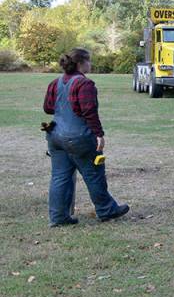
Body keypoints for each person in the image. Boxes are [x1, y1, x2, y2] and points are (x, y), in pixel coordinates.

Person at [43, 48, 130, 226]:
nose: (91, 64)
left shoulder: (55, 82)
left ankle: (59, 217)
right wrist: (99, 134)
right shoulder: (85, 84)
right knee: (94, 174)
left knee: (60, 176)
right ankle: (107, 210)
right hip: (78, 137)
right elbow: (89, 111)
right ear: (81, 63)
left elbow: (48, 108)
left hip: (55, 137)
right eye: (89, 61)